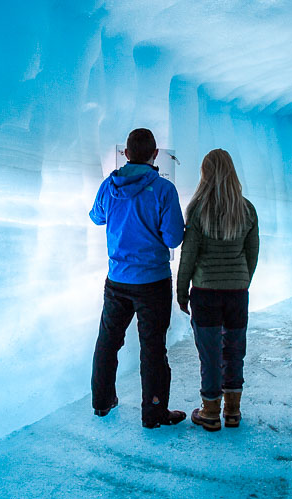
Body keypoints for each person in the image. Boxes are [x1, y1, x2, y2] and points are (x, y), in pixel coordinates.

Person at [89, 128, 188, 428]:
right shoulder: (163, 190)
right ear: (155, 154)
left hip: (117, 280)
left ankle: (102, 402)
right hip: (153, 282)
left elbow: (96, 216)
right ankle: (154, 412)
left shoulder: (110, 185)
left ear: (126, 154)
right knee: (153, 348)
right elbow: (173, 239)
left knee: (108, 342)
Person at [177, 149, 258, 432]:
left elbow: (188, 255)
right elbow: (252, 253)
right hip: (237, 292)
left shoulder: (198, 209)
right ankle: (232, 411)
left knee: (210, 353)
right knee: (234, 351)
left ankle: (210, 411)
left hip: (205, 291)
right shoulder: (246, 209)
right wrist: (242, 281)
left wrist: (181, 289)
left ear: (206, 173)